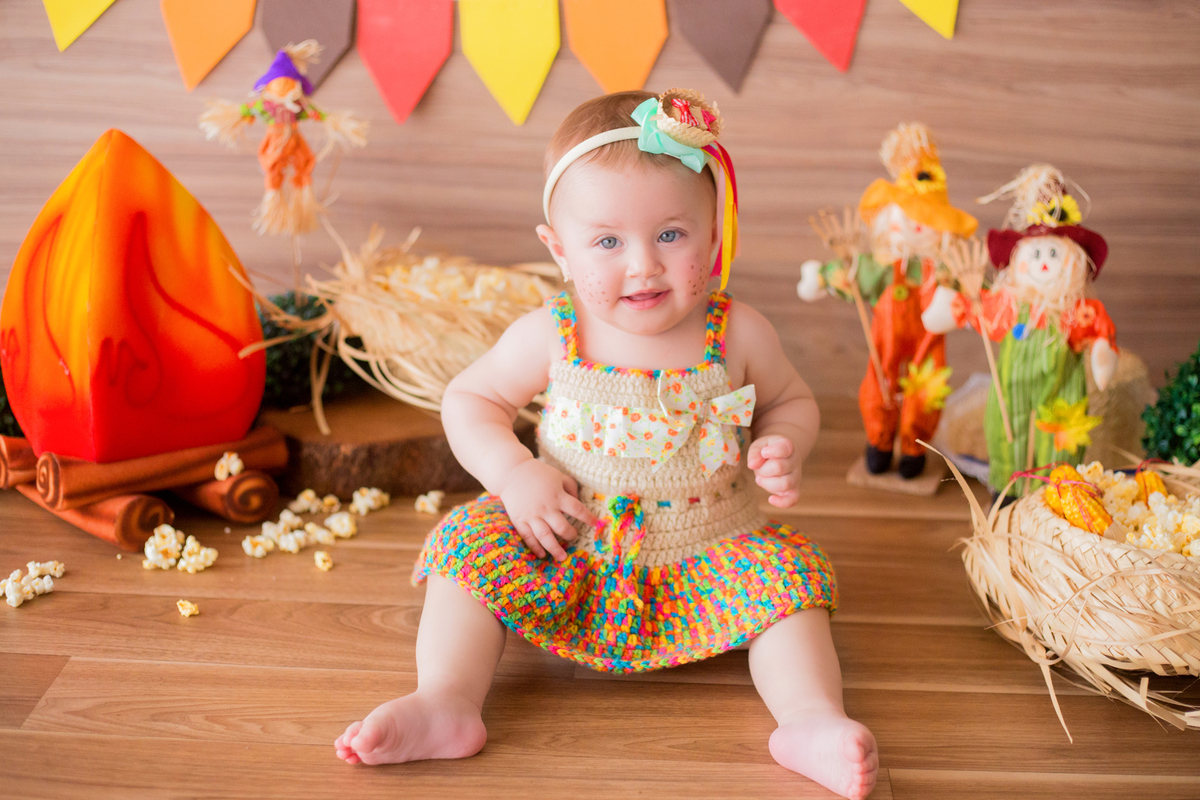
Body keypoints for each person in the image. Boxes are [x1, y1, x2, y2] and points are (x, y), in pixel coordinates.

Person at [334, 89, 878, 800]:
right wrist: (514, 471)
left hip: (711, 550)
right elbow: (470, 400)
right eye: (608, 242)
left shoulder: (740, 333)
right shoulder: (550, 334)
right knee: (464, 548)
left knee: (792, 587)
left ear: (715, 236)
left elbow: (791, 401)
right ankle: (447, 700)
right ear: (559, 250)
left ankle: (810, 720)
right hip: (565, 540)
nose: (643, 265)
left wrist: (783, 442)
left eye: (672, 235)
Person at [922, 165, 1118, 500]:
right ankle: (1008, 490)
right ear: (1019, 260)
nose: (1044, 262)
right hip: (1011, 392)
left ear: (1073, 262)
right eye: (1037, 253)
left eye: (1053, 254)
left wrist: (1102, 353)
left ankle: (1054, 495)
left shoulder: (1073, 309)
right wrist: (953, 306)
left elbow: (1099, 332)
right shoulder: (1010, 304)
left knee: (1059, 439)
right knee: (1007, 433)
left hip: (1059, 394)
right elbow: (977, 310)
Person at [798, 123, 977, 478]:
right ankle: (879, 441)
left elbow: (972, 287)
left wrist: (974, 300)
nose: (912, 228)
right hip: (885, 342)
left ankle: (914, 447)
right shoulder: (882, 265)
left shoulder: (943, 269)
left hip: (928, 346)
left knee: (925, 393)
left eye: (923, 221)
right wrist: (825, 277)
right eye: (906, 218)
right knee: (878, 386)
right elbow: (855, 273)